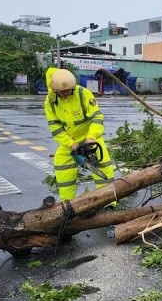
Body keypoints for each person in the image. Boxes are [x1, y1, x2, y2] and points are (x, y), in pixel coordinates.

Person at [44, 68, 115, 202]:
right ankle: (67, 205)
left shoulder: (83, 94)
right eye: (62, 92)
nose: (66, 94)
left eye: (68, 91)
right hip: (69, 141)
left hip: (90, 137)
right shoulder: (50, 102)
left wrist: (91, 137)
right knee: (62, 168)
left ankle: (109, 204)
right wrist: (71, 144)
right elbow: (55, 128)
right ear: (55, 90)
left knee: (103, 166)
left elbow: (97, 117)